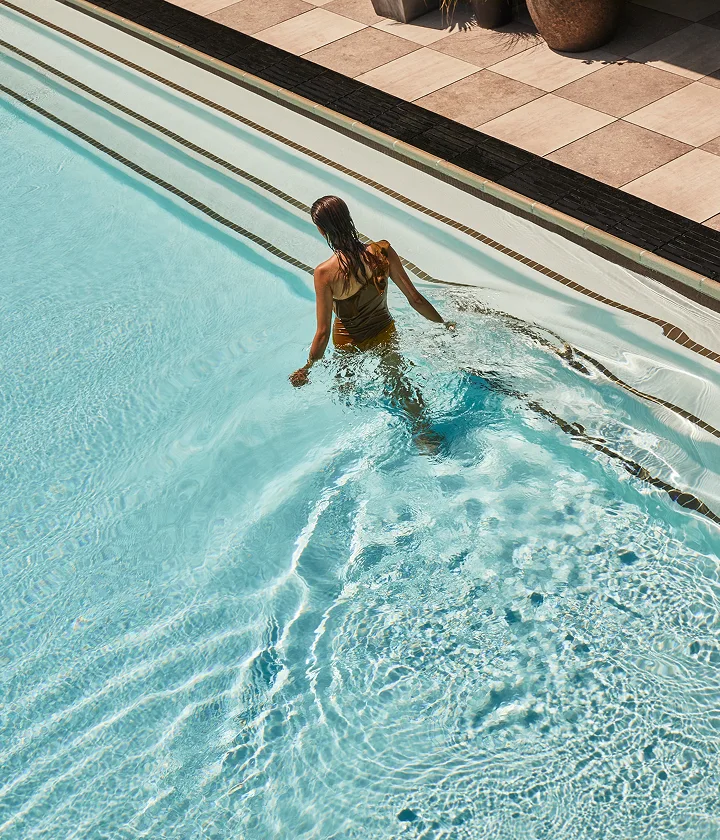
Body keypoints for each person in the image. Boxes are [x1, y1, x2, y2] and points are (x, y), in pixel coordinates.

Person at [290, 195, 449, 388]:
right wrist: (444, 324)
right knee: (399, 385)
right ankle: (420, 418)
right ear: (348, 218)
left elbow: (322, 333)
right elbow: (415, 299)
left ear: (322, 231)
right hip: (385, 334)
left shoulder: (324, 274)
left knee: (346, 393)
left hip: (348, 345)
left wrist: (307, 368)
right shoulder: (383, 251)